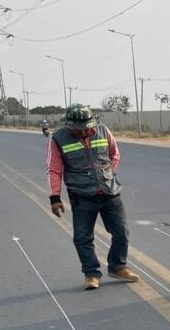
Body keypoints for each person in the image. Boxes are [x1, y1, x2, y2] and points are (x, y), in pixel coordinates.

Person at [47, 104, 139, 290]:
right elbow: (54, 169)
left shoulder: (103, 131)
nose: (83, 132)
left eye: (86, 127)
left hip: (109, 192)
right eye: (78, 129)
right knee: (83, 238)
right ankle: (91, 273)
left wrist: (106, 175)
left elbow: (114, 154)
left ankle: (118, 267)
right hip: (82, 196)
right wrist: (55, 197)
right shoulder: (58, 138)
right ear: (69, 125)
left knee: (121, 232)